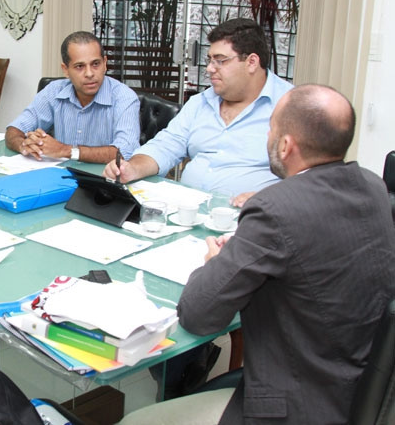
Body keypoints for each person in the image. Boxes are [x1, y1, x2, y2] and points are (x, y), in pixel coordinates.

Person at [119, 84, 395, 425]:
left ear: (285, 145)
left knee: (134, 420)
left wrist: (217, 263)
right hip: (358, 385)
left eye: (271, 129)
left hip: (294, 402)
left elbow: (198, 316)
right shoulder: (373, 186)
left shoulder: (275, 207)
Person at [104, 18, 293, 204]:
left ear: (251, 62)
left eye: (220, 61)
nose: (210, 69)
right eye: (209, 60)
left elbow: (312, 177)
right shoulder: (200, 103)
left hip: (253, 219)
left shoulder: (293, 107)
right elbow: (165, 146)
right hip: (186, 212)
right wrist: (133, 168)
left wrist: (271, 199)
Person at [5, 31, 140, 163]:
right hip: (61, 176)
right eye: (80, 66)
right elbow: (14, 130)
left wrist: (66, 151)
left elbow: (124, 152)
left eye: (95, 64)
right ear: (66, 70)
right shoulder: (54, 91)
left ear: (105, 63)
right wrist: (25, 145)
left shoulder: (124, 97)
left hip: (104, 181)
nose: (89, 73)